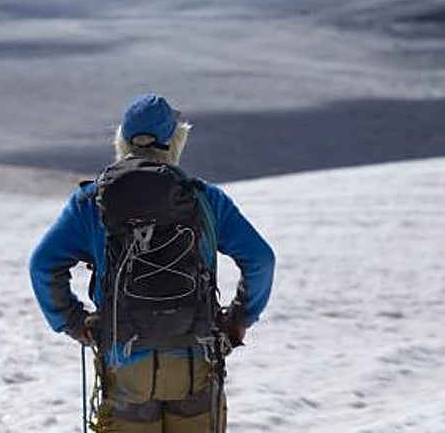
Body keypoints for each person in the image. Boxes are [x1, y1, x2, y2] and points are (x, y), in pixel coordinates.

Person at [29, 93, 275, 432]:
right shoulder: (205, 199)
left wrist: (73, 321)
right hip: (196, 359)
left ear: (122, 141)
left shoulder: (90, 202)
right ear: (176, 141)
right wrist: (240, 318)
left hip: (125, 362)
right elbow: (261, 259)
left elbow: (43, 265)